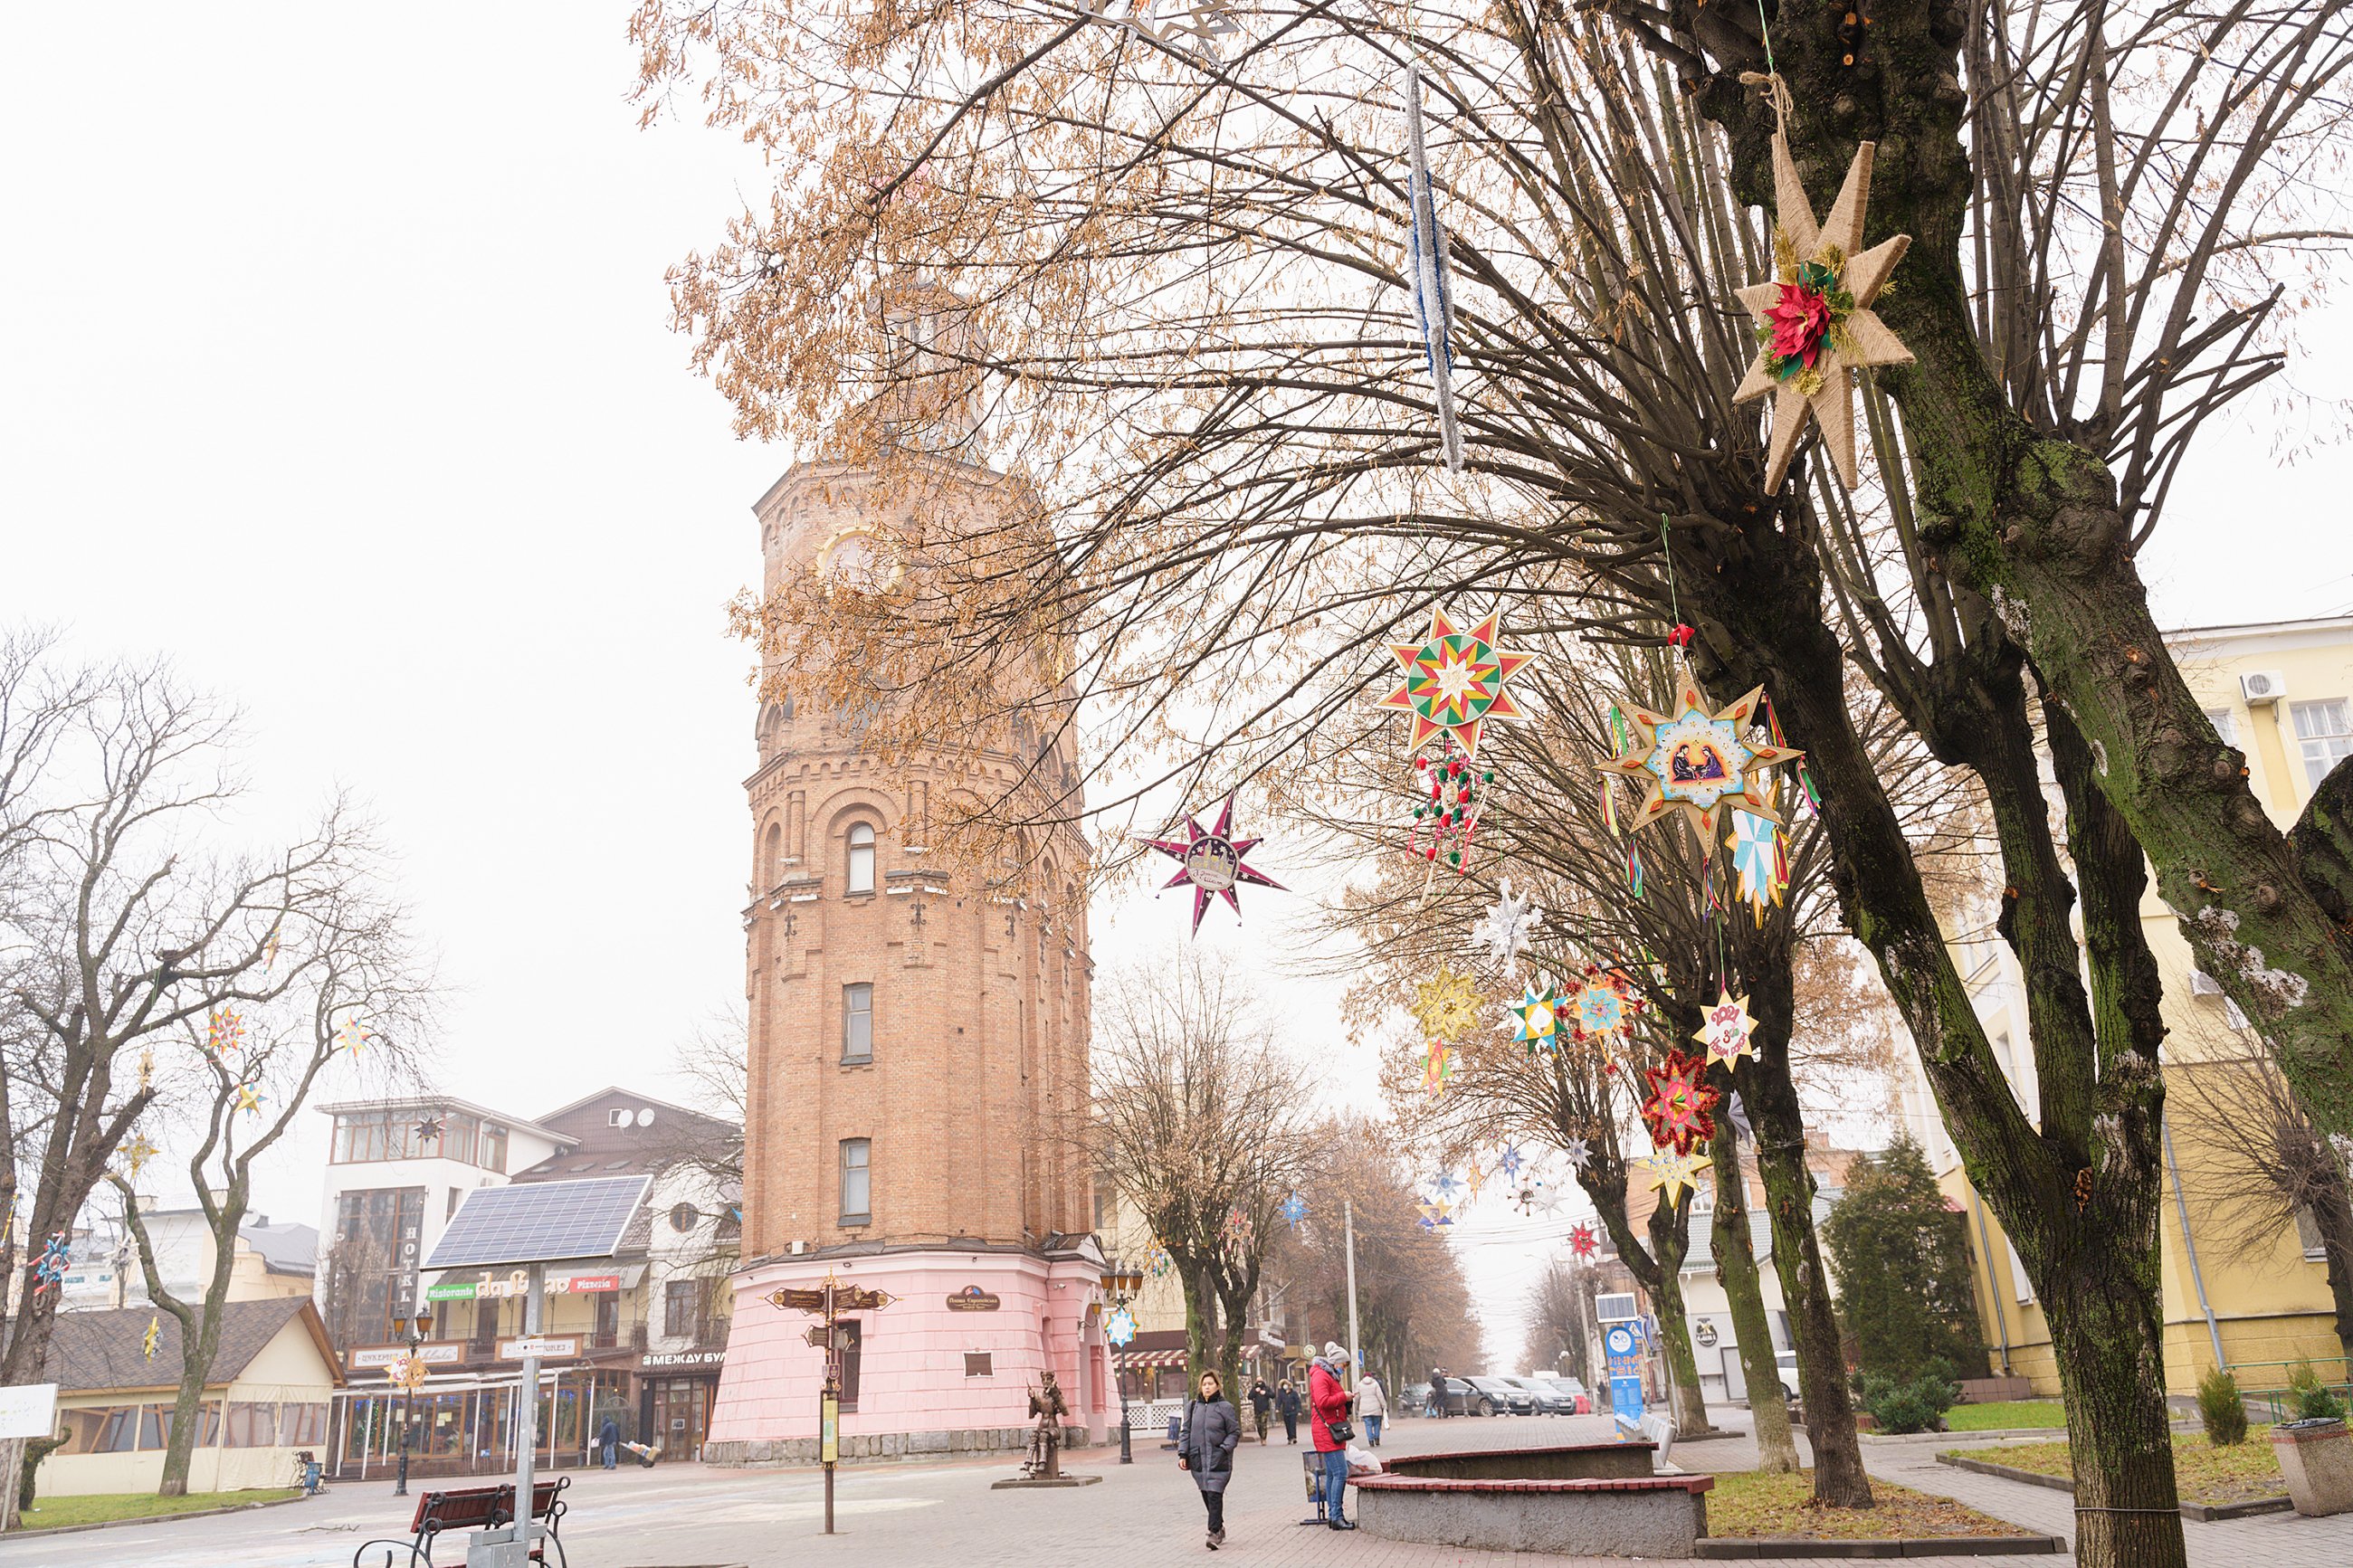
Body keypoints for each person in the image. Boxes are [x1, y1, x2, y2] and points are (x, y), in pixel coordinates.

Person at [1178, 1370, 1241, 1550]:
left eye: (1210, 1384)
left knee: (1214, 1494)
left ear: (1217, 1386)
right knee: (1206, 1493)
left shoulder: (1225, 1407)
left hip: (1218, 1459)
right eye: (1204, 1384)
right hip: (1198, 1459)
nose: (1207, 1387)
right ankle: (1219, 1527)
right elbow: (1186, 1431)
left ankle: (1213, 1532)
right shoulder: (1193, 1407)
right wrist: (1183, 1454)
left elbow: (1234, 1432)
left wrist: (1224, 1449)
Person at [1308, 1342, 1356, 1530]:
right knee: (1340, 1472)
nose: (1344, 1369)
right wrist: (1344, 1397)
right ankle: (1336, 1516)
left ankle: (1332, 1515)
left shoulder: (1327, 1376)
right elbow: (1323, 1402)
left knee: (1332, 1473)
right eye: (1344, 1365)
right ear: (1336, 1362)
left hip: (1329, 1430)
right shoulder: (1321, 1376)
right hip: (1327, 1431)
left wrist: (1346, 1399)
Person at [1357, 1371, 1387, 1447]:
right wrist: (1384, 1405)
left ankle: (1370, 1440)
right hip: (1376, 1407)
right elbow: (1380, 1395)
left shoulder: (1360, 1385)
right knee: (1377, 1424)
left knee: (1368, 1425)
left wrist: (1356, 1407)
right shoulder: (1375, 1384)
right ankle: (1377, 1439)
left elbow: (1357, 1397)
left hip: (1364, 1408)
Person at [1247, 1378, 1274, 1444]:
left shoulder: (1266, 1388)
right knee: (1259, 1425)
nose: (1259, 1382)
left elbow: (1273, 1395)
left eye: (1260, 1380)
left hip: (1265, 1409)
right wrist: (1255, 1391)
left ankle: (1264, 1438)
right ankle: (1261, 1437)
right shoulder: (1254, 1389)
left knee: (1263, 1424)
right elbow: (1249, 1396)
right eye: (1258, 1381)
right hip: (1257, 1410)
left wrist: (1265, 1393)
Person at [1275, 1378, 1301, 1444]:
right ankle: (1289, 1437)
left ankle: (1294, 1437)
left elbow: (1297, 1402)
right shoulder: (1281, 1394)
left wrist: (1298, 1410)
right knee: (1287, 1425)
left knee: (1292, 1425)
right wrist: (1277, 1408)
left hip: (1293, 1411)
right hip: (1285, 1411)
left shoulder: (1294, 1393)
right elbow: (1279, 1401)